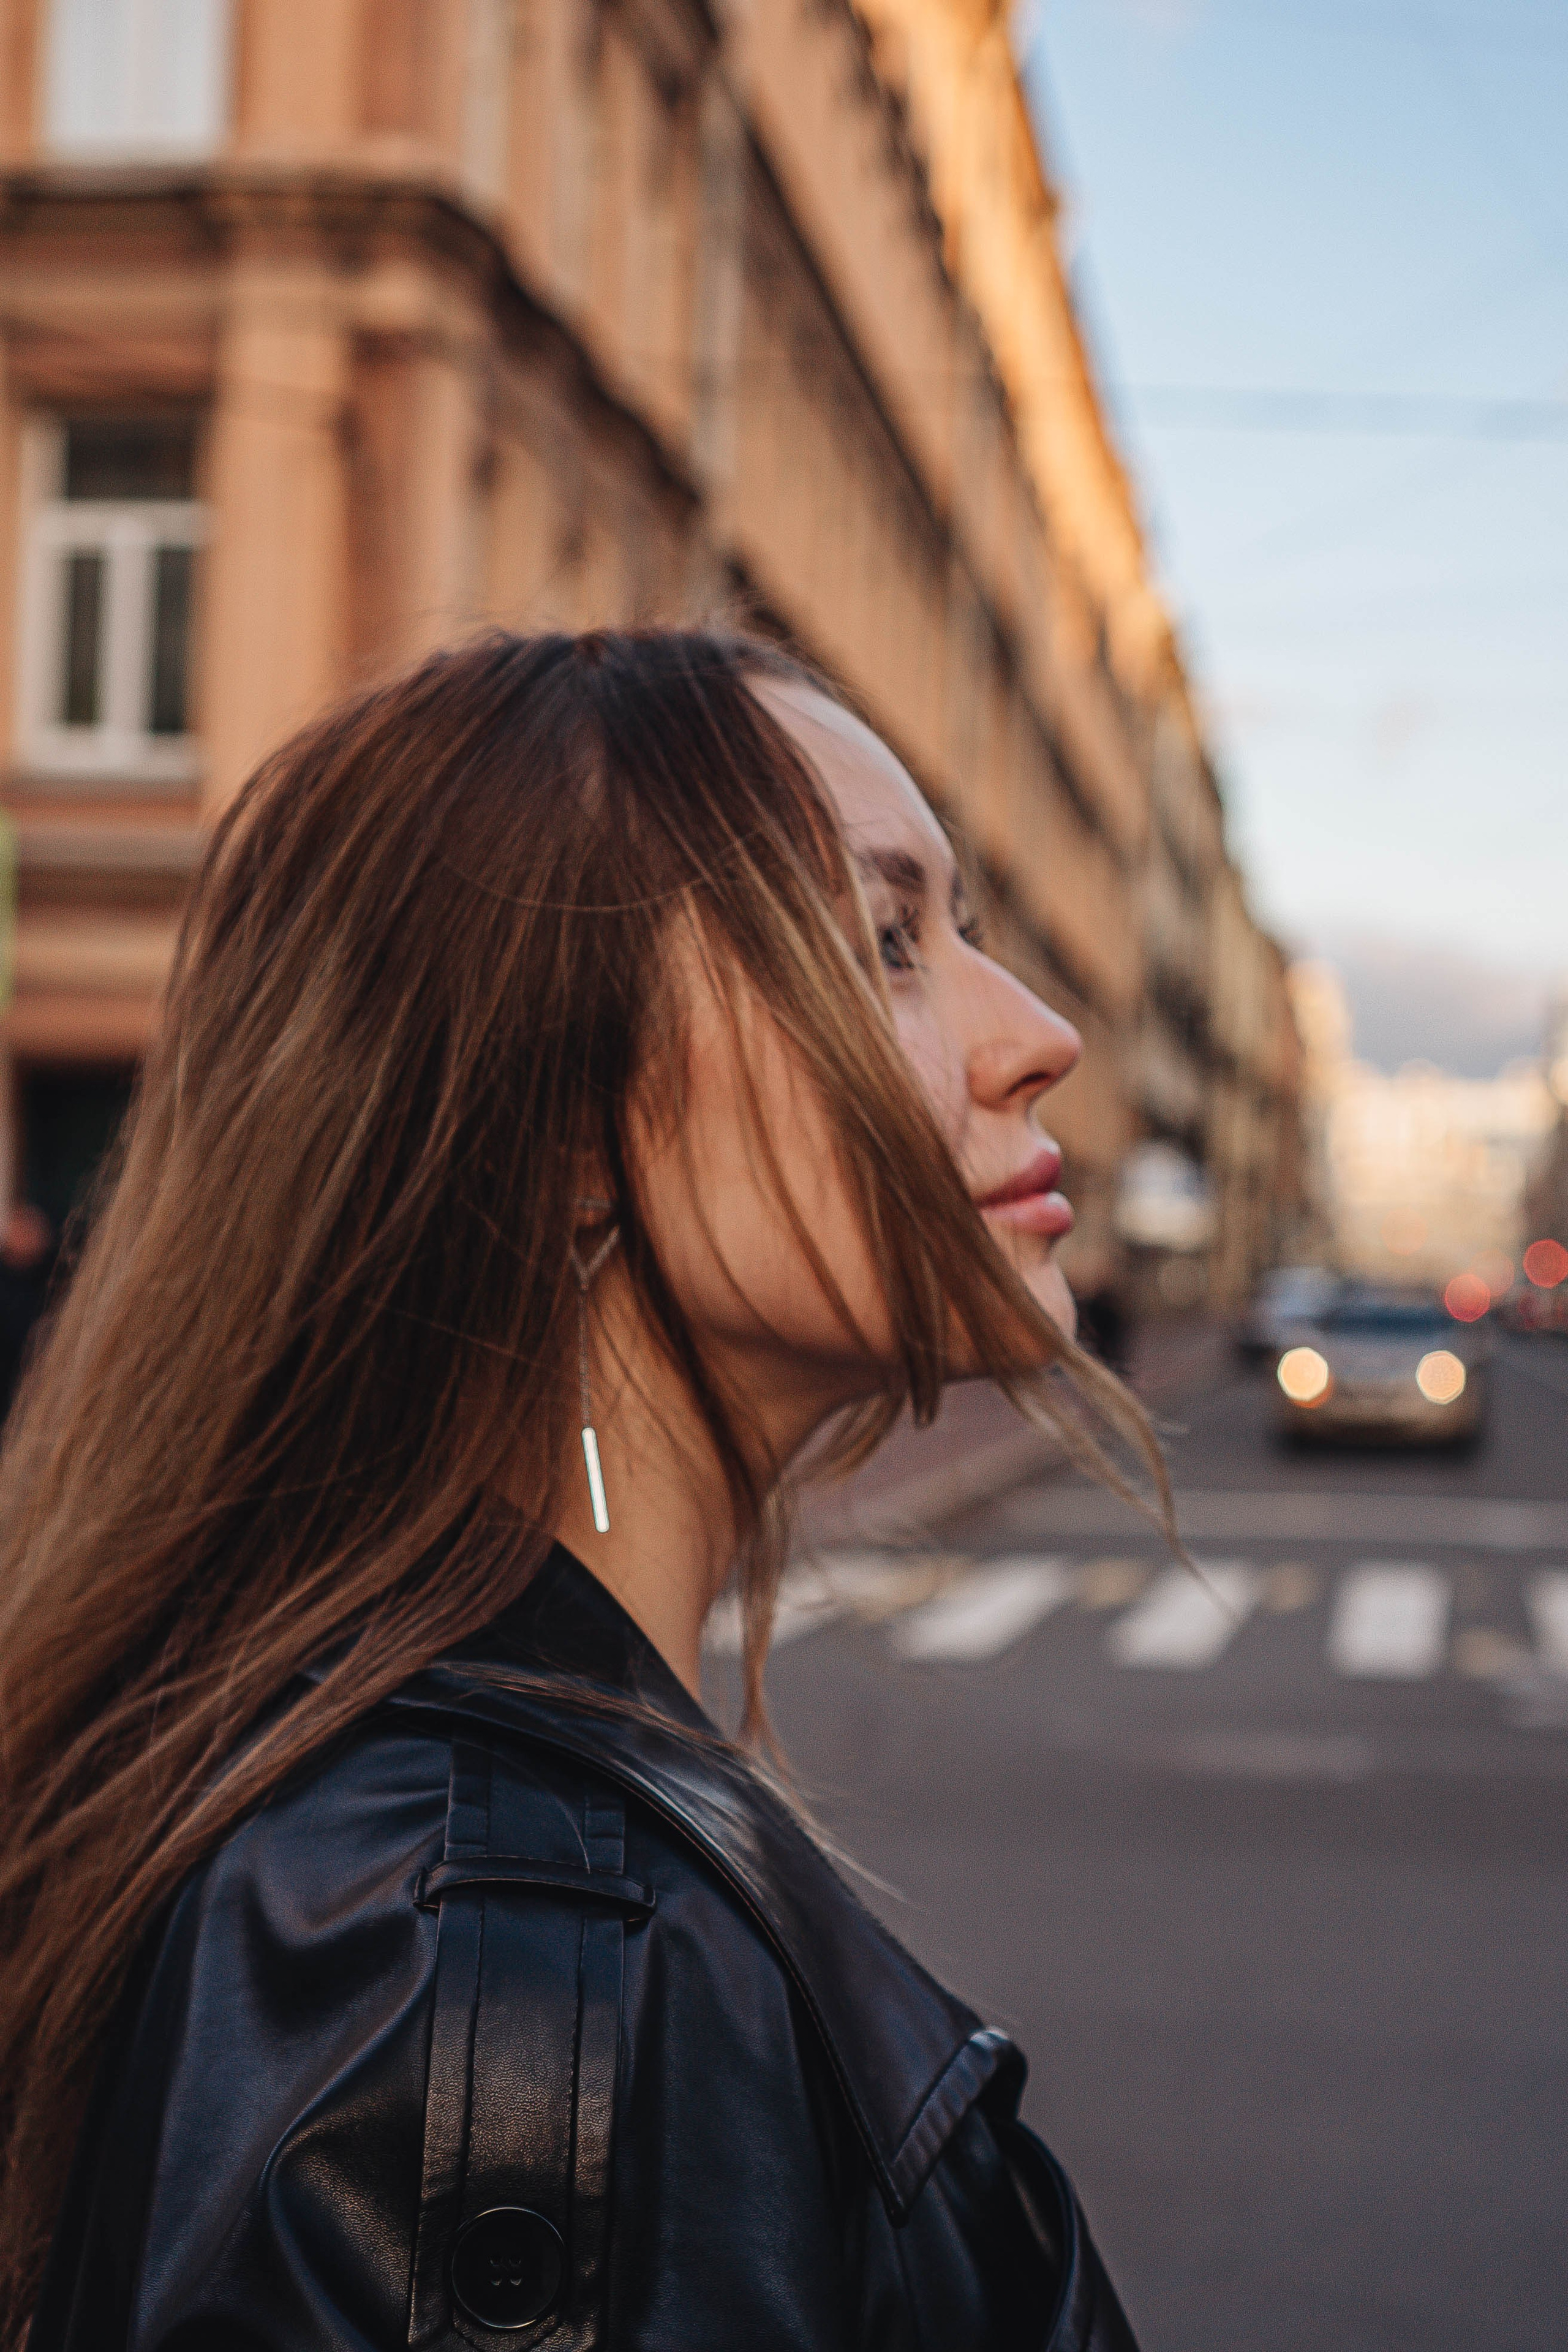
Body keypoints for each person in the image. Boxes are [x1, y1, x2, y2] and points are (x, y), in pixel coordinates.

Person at [0, 631, 1173, 2351]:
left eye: (963, 933)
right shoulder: (484, 1980)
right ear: (557, 1125)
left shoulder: (429, 1877)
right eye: (887, 944)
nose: (1040, 1037)